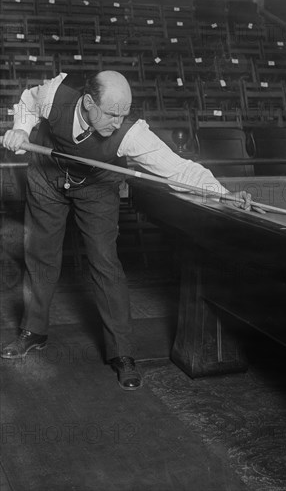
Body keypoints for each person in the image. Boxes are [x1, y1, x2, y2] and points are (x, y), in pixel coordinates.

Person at [1, 71, 249, 391]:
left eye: (125, 113)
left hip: (96, 184)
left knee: (105, 261)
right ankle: (33, 331)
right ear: (89, 103)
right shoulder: (54, 94)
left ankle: (122, 352)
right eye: (113, 114)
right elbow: (26, 101)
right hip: (47, 176)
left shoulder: (131, 133)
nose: (119, 122)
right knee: (40, 253)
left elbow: (178, 168)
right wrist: (20, 130)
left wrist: (221, 193)